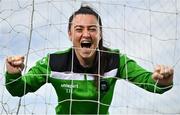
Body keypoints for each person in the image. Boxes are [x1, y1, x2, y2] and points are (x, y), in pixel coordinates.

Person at [5, 5, 174, 114]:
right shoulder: (54, 63)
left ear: (99, 34)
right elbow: (18, 89)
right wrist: (13, 74)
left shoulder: (115, 61)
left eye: (92, 29)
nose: (86, 34)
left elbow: (150, 82)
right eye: (79, 29)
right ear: (70, 34)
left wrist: (163, 81)